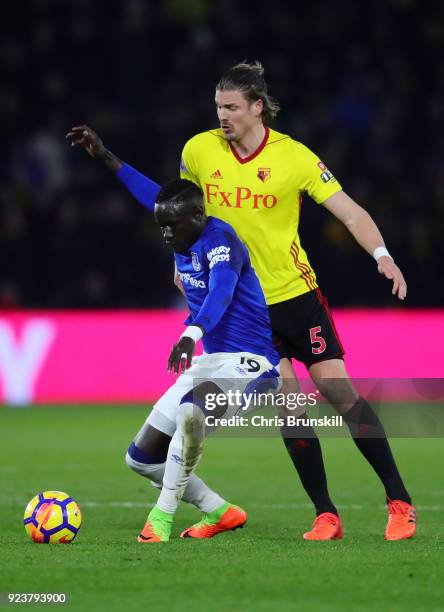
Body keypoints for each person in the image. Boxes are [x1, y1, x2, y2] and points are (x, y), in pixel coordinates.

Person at [66, 62, 416, 541]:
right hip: (246, 311)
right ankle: (325, 515)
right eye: (217, 107)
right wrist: (183, 257)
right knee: (290, 410)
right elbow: (183, 207)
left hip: (296, 294)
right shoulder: (200, 149)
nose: (222, 116)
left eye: (231, 107)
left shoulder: (293, 157)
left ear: (257, 107)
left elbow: (351, 212)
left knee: (339, 394)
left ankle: (399, 502)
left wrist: (382, 254)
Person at [123, 178, 279, 542]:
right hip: (212, 362)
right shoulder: (181, 231)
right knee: (141, 459)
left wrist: (191, 332)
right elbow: (152, 197)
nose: (165, 234)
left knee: (190, 415)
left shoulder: (221, 242)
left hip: (251, 363)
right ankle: (221, 512)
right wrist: (104, 156)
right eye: (160, 225)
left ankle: (160, 518)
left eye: (171, 225)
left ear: (197, 214)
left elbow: (221, 292)